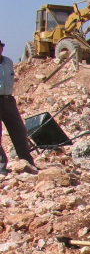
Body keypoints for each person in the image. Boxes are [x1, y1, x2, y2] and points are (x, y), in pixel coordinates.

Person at [0, 40, 36, 176]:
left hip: (8, 100)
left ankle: (27, 163)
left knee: (19, 131)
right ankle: (1, 167)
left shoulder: (8, 62)